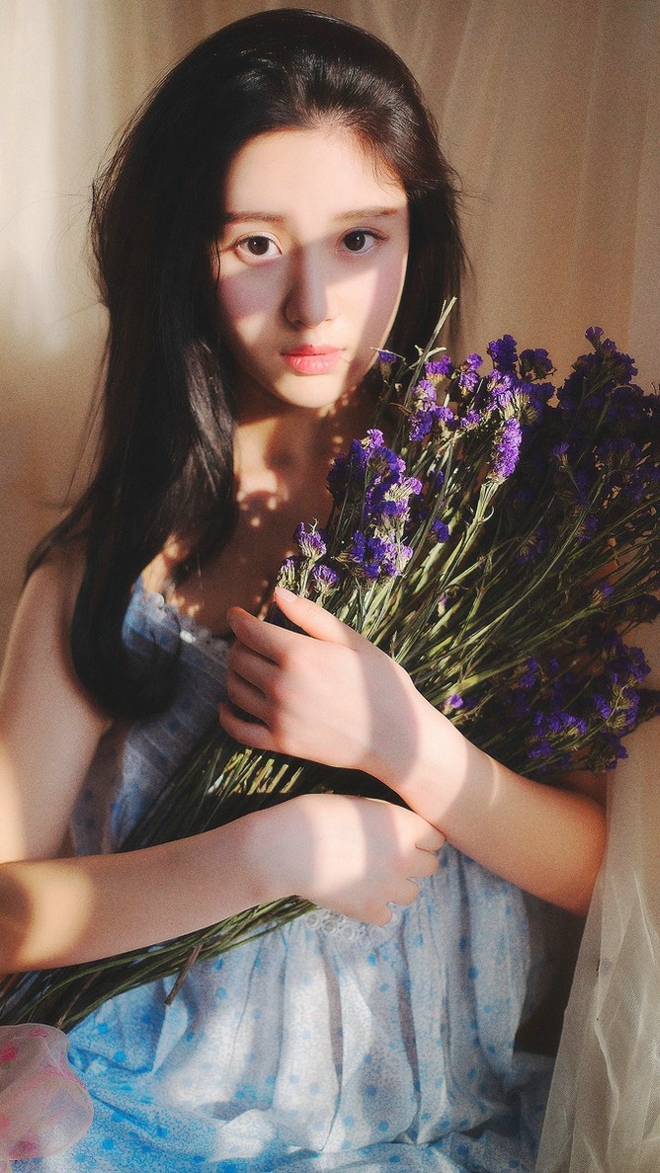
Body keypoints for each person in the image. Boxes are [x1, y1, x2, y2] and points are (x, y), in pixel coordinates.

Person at [0, 9, 606, 1171]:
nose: (316, 305)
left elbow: (602, 872)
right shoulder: (109, 578)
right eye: (257, 246)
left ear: (416, 236)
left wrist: (405, 744)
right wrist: (268, 855)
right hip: (147, 1124)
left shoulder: (497, 536)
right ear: (183, 254)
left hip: (441, 1134)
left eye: (360, 239)